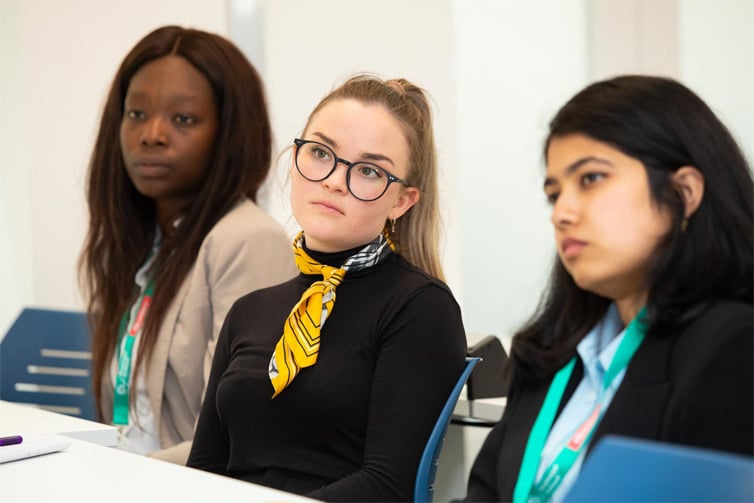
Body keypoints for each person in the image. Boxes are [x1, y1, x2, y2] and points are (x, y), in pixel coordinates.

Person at [463, 75, 754, 502]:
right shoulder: (549, 356)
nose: (561, 212)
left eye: (592, 178)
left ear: (683, 192)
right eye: (554, 194)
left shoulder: (732, 348)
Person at [187, 75, 467, 501]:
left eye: (369, 170)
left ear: (401, 202)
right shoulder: (249, 311)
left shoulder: (420, 308)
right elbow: (204, 471)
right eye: (321, 153)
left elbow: (388, 486)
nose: (335, 180)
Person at [78, 26, 297, 464]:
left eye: (183, 119)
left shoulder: (247, 240)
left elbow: (235, 435)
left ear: (229, 134)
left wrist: (112, 476)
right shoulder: (140, 244)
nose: (151, 135)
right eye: (136, 113)